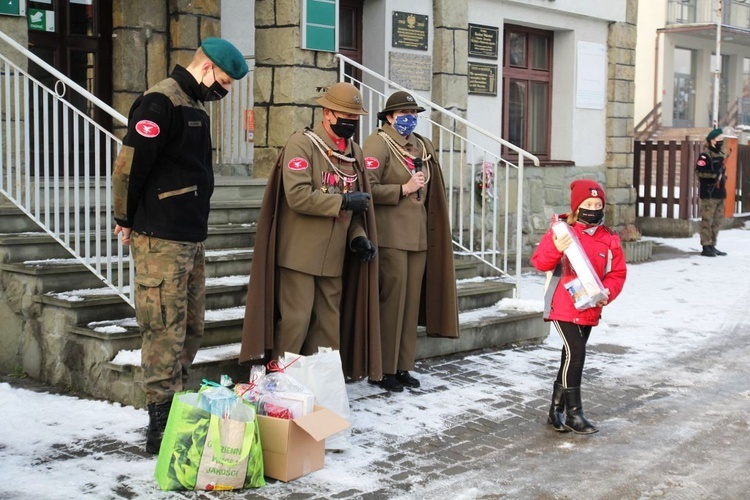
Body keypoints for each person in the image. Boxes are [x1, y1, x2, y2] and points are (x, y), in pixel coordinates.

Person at [112, 37, 248, 454]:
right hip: (161, 237)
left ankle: (175, 408)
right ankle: (159, 422)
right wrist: (125, 218)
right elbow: (129, 167)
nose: (222, 90)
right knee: (163, 329)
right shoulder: (160, 102)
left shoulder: (194, 106)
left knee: (191, 326)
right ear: (205, 68)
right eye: (222, 81)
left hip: (191, 236)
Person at [239, 82, 382, 382]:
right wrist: (343, 200)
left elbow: (353, 205)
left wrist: (358, 237)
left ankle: (322, 389)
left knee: (329, 328)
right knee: (296, 322)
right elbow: (298, 195)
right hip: (300, 255)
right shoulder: (302, 144)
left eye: (355, 117)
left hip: (333, 256)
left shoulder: (353, 152)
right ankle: (278, 384)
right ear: (327, 113)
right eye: (345, 116)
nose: (351, 122)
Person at [362, 91, 459, 392]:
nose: (409, 118)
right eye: (403, 113)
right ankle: (383, 369)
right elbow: (367, 188)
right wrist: (402, 189)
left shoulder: (422, 146)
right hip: (391, 236)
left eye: (413, 113)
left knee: (409, 306)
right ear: (389, 117)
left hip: (418, 236)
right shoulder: (377, 143)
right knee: (391, 304)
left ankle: (403, 365)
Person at [531, 180, 627, 434]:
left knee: (569, 357)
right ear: (577, 206)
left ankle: (555, 410)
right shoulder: (562, 231)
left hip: (590, 306)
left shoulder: (609, 238)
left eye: (598, 205)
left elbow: (617, 273)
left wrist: (608, 293)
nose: (593, 209)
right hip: (562, 304)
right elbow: (539, 262)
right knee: (577, 354)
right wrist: (555, 248)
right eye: (588, 204)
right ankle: (575, 414)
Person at [695, 128, 728, 257]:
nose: (721, 141)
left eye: (721, 139)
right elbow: (699, 172)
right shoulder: (705, 155)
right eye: (718, 139)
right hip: (709, 193)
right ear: (711, 140)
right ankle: (706, 246)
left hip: (720, 193)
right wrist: (714, 175)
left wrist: (722, 177)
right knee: (707, 220)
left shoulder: (720, 154)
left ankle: (713, 244)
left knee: (717, 220)